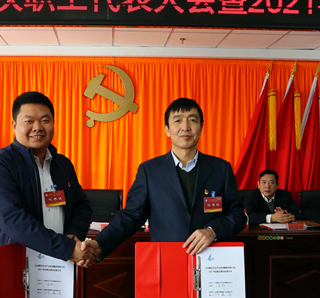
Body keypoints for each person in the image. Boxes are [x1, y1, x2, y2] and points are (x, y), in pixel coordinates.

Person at [82, 98, 246, 262]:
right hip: (167, 260)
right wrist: (100, 243)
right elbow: (130, 217)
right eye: (178, 121)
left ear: (201, 128)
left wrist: (213, 231)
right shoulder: (149, 171)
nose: (185, 127)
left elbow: (237, 215)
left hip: (212, 260)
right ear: (167, 129)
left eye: (192, 120)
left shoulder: (221, 169)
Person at [0, 91, 93, 264]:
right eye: (29, 121)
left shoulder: (63, 164)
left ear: (53, 123)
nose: (37, 127)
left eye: (45, 120)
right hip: (14, 263)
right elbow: (13, 220)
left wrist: (73, 236)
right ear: (14, 125)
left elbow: (82, 206)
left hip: (61, 262)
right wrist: (68, 248)